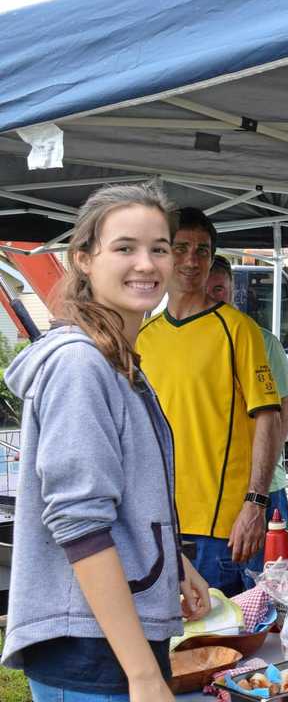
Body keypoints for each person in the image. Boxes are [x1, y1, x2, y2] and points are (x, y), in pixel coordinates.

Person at [1, 182, 211, 702]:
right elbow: (80, 522)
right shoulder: (80, 365)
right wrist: (142, 674)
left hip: (115, 637)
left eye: (158, 248)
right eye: (125, 248)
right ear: (84, 259)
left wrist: (172, 563)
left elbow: (123, 498)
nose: (147, 263)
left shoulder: (119, 365)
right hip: (91, 646)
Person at [137, 208, 282, 597]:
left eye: (202, 251)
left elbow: (269, 417)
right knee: (168, 652)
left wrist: (255, 503)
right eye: (179, 248)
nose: (190, 260)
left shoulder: (237, 329)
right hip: (156, 525)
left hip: (221, 532)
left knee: (224, 649)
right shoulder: (143, 336)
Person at [207, 256, 288, 532]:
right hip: (209, 492)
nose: (210, 297)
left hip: (262, 489)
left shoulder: (262, 341)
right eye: (204, 290)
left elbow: (282, 410)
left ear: (232, 291)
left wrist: (260, 483)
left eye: (219, 289)